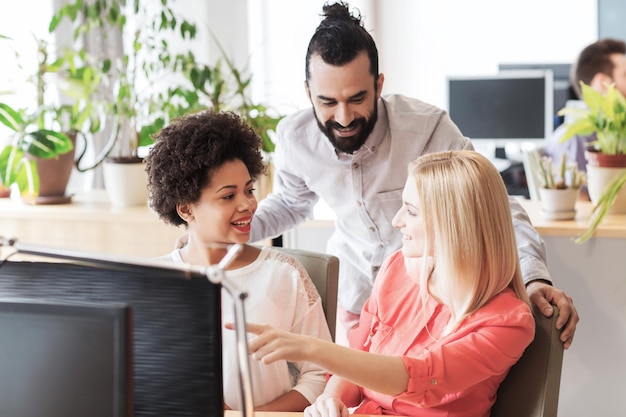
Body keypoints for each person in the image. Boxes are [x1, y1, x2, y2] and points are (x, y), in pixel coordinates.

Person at [248, 1, 578, 348]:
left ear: (378, 85)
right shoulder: (295, 137)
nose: (344, 117)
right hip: (356, 299)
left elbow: (493, 205)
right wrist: (226, 229)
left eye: (357, 98)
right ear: (308, 93)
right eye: (327, 102)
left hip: (427, 303)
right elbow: (289, 203)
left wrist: (533, 277)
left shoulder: (426, 129)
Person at [243, 150, 536, 417]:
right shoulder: (399, 268)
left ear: (453, 224)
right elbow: (361, 357)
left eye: (410, 210)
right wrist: (331, 400)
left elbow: (420, 378)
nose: (397, 221)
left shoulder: (508, 323)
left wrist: (311, 349)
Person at [145, 110, 332, 411]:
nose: (248, 204)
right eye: (228, 196)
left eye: (249, 190)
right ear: (186, 210)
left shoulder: (284, 275)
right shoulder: (154, 281)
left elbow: (320, 374)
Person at [544, 38, 626, 172]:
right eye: (625, 75)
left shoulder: (616, 130)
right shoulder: (577, 137)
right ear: (603, 83)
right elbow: (577, 193)